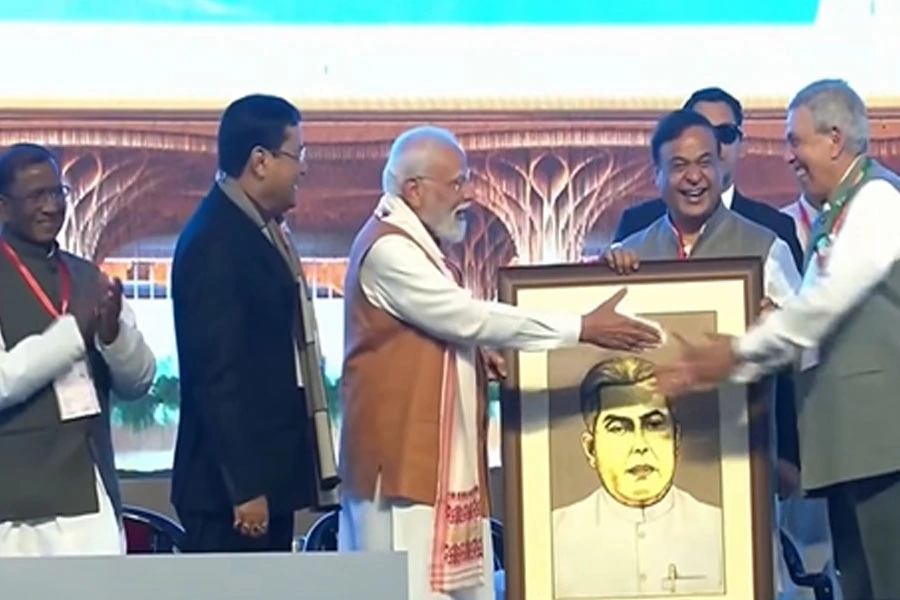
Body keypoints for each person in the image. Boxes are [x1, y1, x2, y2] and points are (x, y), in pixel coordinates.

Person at [337, 125, 663, 600]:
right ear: (414, 190)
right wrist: (581, 328)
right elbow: (465, 317)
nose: (468, 195)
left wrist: (474, 353)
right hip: (402, 474)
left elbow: (450, 326)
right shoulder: (389, 250)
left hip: (429, 468)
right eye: (457, 183)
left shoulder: (418, 246)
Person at [656, 79, 900, 600]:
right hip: (857, 444)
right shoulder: (842, 211)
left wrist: (736, 352)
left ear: (834, 140)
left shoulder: (877, 200)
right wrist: (761, 336)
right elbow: (811, 317)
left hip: (883, 443)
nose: (789, 156)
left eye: (795, 140)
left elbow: (826, 305)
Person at [170, 94, 336, 553]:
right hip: (229, 497)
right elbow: (217, 376)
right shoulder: (216, 242)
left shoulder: (258, 231)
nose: (303, 168)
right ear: (260, 161)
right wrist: (245, 487)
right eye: (297, 154)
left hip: (265, 482)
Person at [0, 143, 156, 556]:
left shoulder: (88, 277)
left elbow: (140, 382)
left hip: (91, 496)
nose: (52, 206)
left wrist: (113, 335)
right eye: (37, 196)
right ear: (3, 206)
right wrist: (73, 333)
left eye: (58, 193)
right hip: (14, 511)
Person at [553, 356, 723, 597]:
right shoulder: (553, 536)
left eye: (653, 425)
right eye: (619, 428)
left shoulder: (720, 530)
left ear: (676, 439)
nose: (640, 446)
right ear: (591, 449)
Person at [614, 87, 803, 269]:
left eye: (724, 134)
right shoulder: (634, 236)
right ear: (657, 173)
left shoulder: (770, 240)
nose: (694, 176)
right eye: (680, 165)